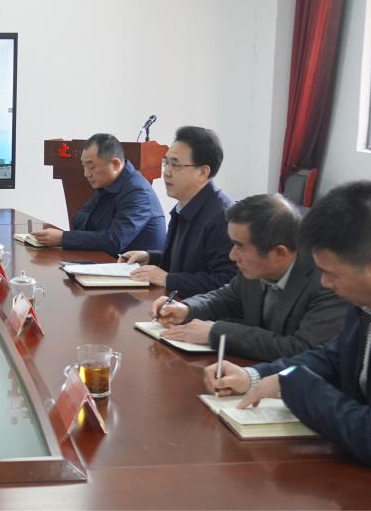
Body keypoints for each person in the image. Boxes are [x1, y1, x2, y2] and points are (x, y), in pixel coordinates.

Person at [206, 181, 371, 468]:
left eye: (332, 274)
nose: (325, 283)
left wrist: (294, 384)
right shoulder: (370, 297)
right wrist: (256, 376)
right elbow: (333, 357)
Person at [152, 194, 347, 361]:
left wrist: (216, 332)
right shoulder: (255, 267)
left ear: (279, 253)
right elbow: (225, 298)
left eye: (240, 246)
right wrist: (187, 308)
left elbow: (301, 349)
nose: (232, 255)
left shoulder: (327, 282)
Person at [124, 126, 237, 296]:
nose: (166, 173)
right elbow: (186, 263)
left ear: (202, 173)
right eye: (166, 163)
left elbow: (226, 282)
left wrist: (168, 279)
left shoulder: (223, 217)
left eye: (175, 165)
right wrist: (151, 257)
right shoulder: (183, 206)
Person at [31, 133, 166, 255]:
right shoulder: (108, 184)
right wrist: (102, 231)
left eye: (91, 166)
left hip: (138, 271)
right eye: (84, 166)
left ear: (115, 164)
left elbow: (114, 241)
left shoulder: (138, 193)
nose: (86, 174)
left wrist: (63, 238)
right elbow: (77, 220)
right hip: (110, 263)